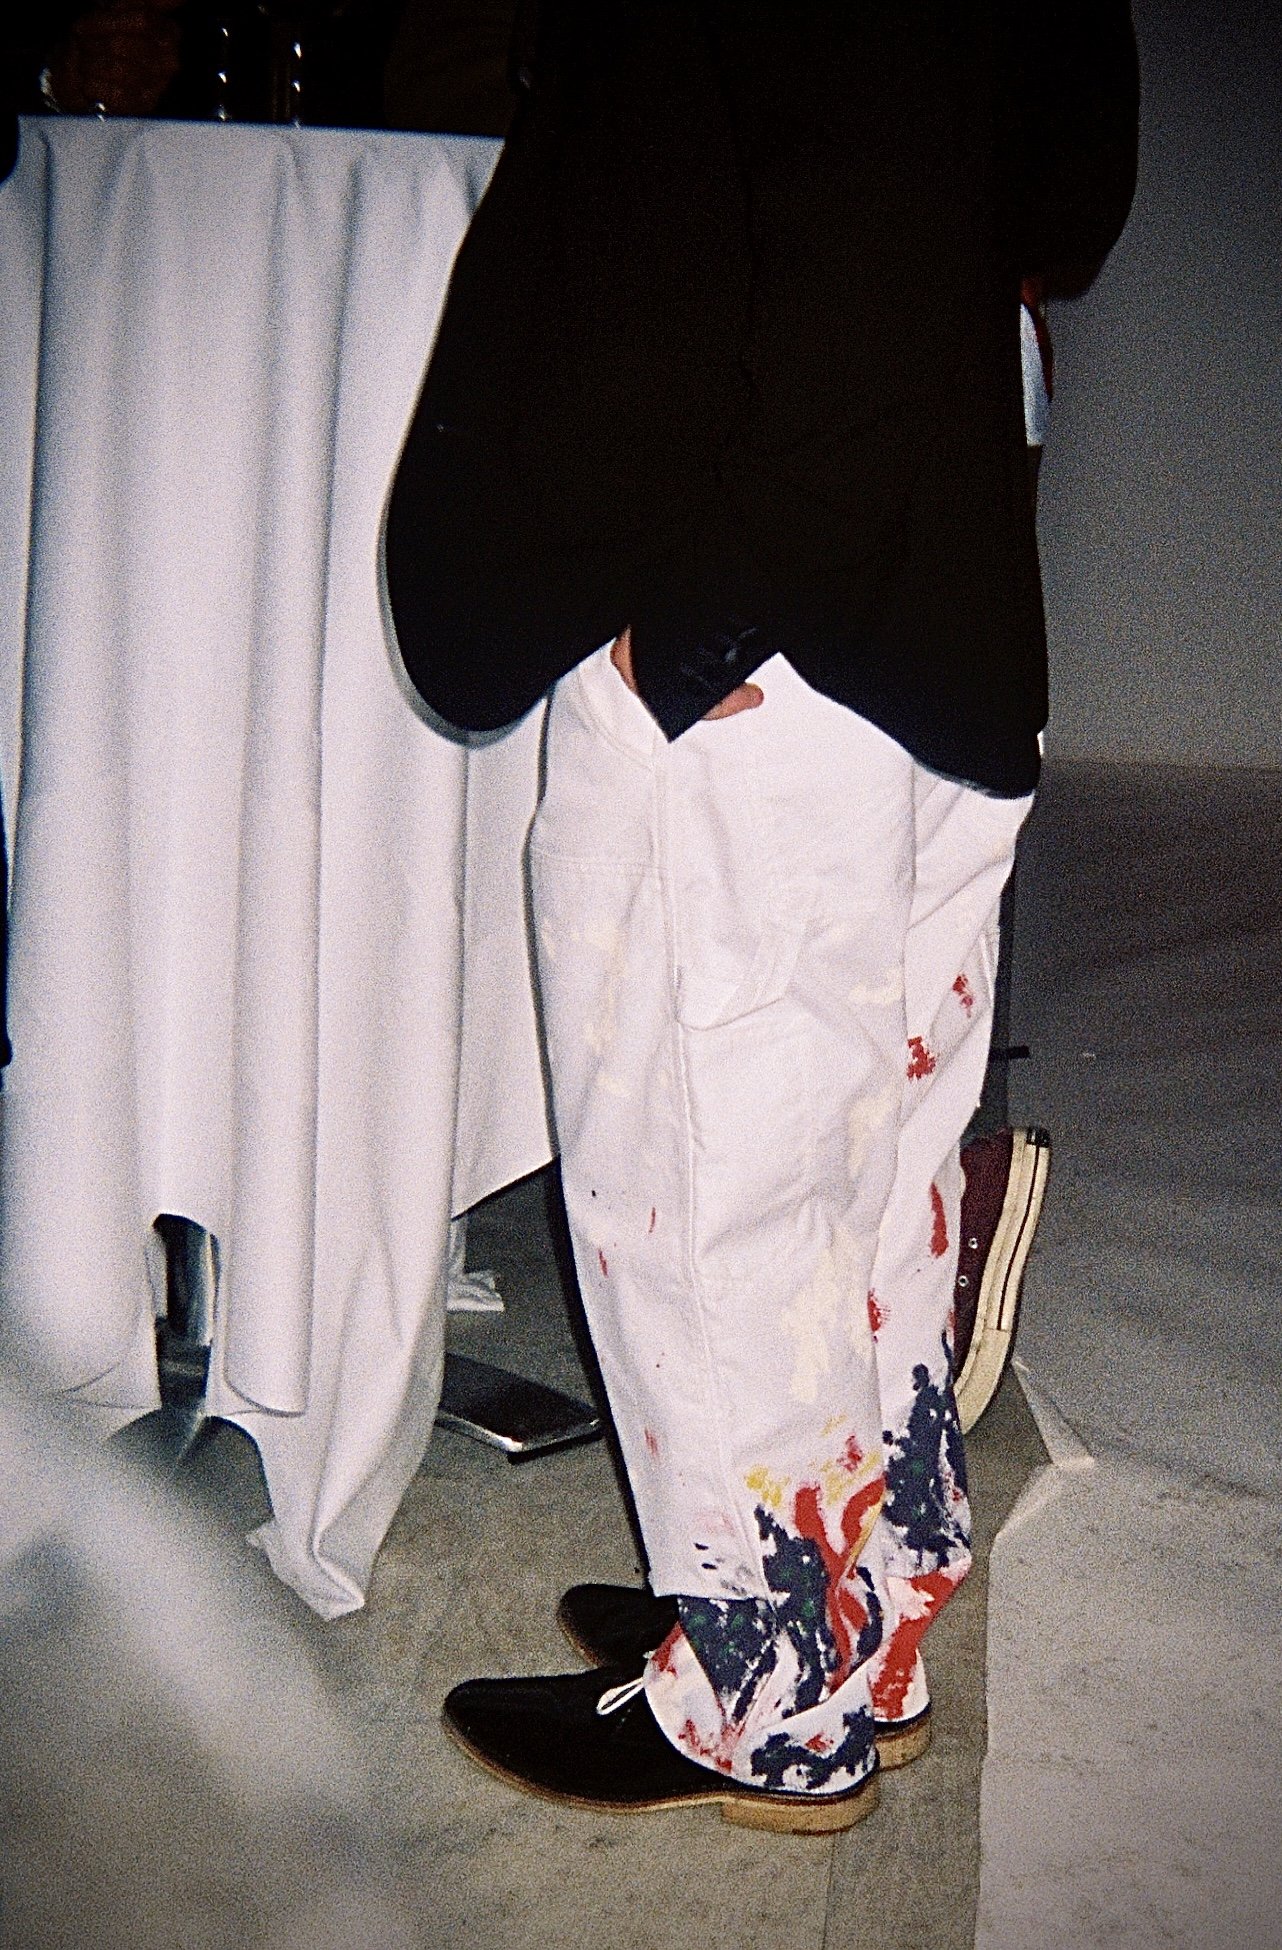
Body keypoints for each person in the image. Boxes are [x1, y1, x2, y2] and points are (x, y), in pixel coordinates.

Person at [386, 0, 1138, 1833]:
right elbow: (1069, 185)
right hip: (937, 603)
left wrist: (701, 597)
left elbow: (718, 210)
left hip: (762, 631)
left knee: (705, 1186)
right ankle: (847, 1617)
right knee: (867, 1177)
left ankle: (758, 1697)